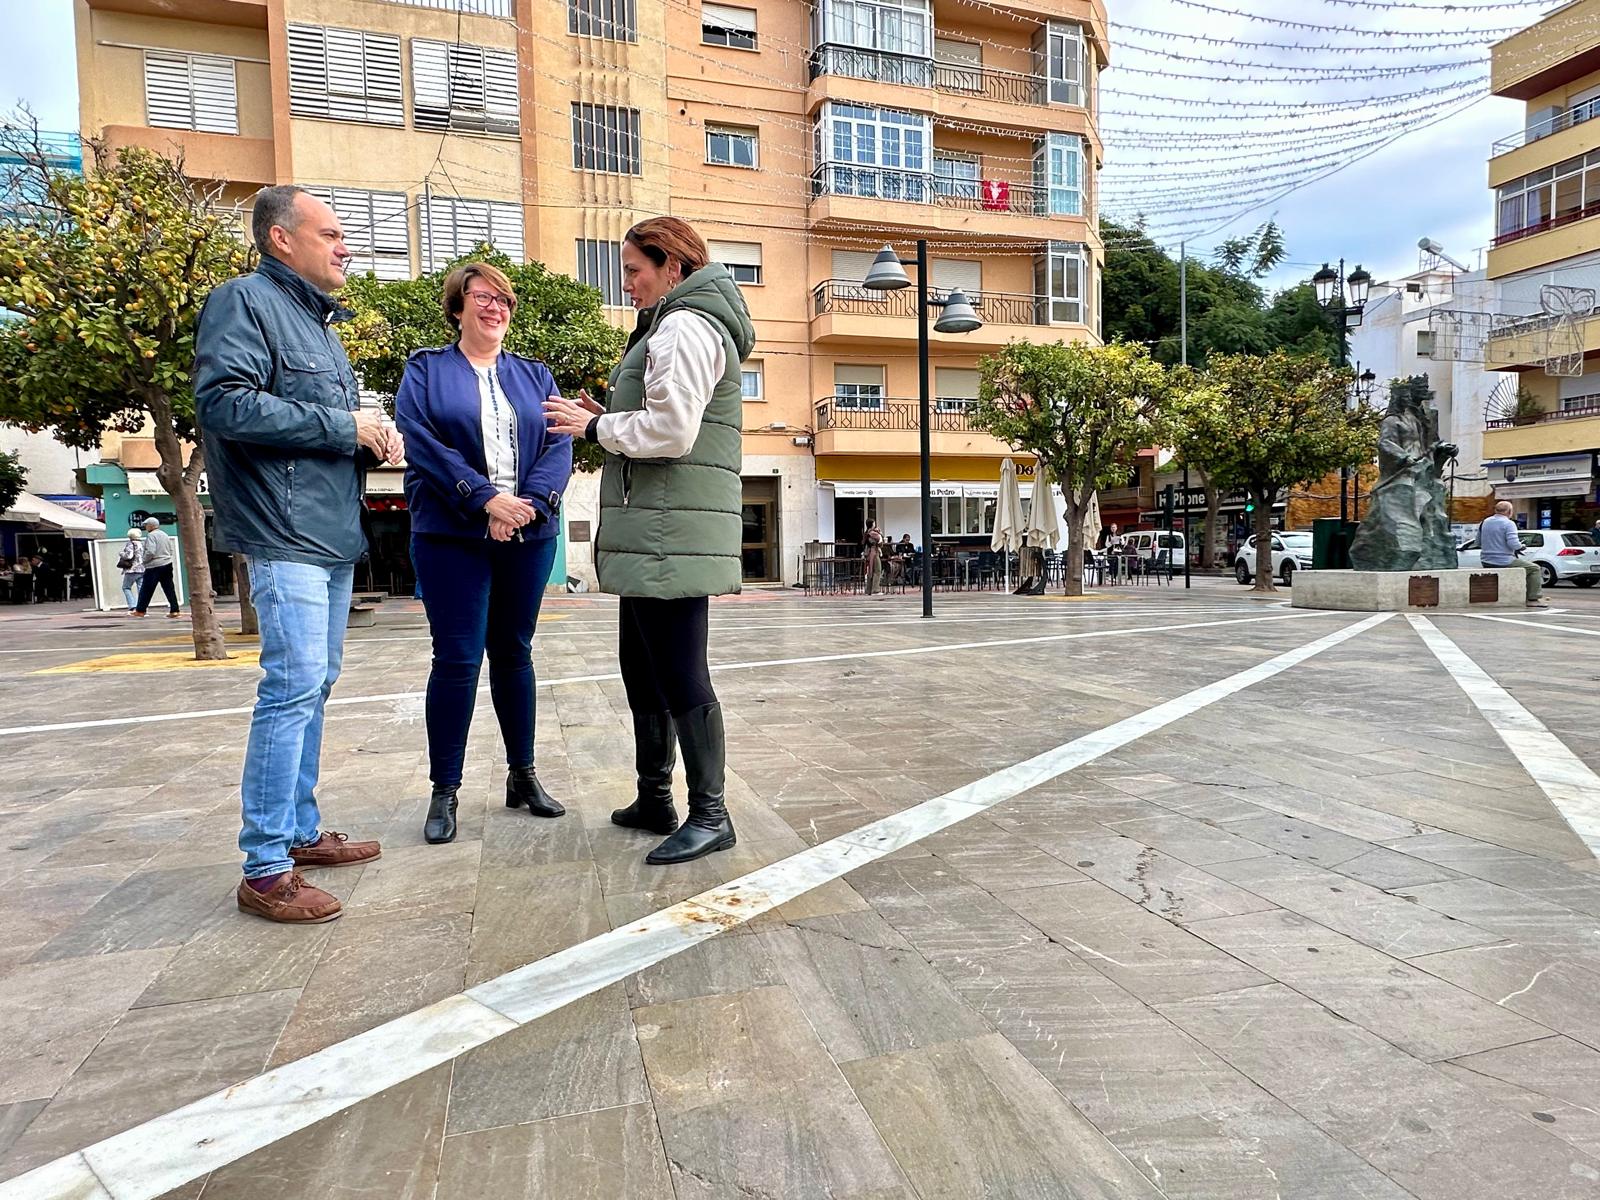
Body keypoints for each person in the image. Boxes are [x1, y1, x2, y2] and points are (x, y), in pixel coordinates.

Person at [194, 184, 404, 924]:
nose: (345, 246)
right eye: (331, 232)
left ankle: (301, 832)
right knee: (291, 688)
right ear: (282, 238)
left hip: (330, 533)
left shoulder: (319, 323)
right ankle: (264, 867)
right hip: (283, 533)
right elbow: (224, 403)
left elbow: (321, 424)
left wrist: (372, 435)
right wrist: (342, 426)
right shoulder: (243, 302)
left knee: (315, 685)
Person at [545, 216, 753, 865]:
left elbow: (672, 431)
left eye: (635, 269)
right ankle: (654, 797)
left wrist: (598, 423)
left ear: (675, 266)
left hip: (672, 529)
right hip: (656, 528)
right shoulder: (670, 324)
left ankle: (711, 814)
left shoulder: (688, 326)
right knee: (643, 669)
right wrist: (604, 417)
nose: (626, 282)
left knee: (681, 673)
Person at [395, 262, 573, 845]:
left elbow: (559, 441)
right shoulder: (425, 370)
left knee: (515, 653)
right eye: (482, 297)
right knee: (457, 660)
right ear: (457, 307)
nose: (494, 307)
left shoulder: (535, 374)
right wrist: (484, 500)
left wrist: (528, 506)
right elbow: (422, 443)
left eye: (503, 300)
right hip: (449, 534)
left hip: (527, 533)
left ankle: (523, 777)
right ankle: (445, 789)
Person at [1479, 500, 1548, 609]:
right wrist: (1521, 547)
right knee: (1534, 568)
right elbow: (1513, 543)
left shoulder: (1485, 522)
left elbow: (1478, 540)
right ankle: (1533, 599)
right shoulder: (1508, 523)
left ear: (1496, 510)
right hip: (1503, 561)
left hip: (1486, 560)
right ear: (1510, 511)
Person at [130, 518, 180, 617]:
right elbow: (170, 550)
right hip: (167, 564)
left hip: (154, 566)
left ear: (151, 525)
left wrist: (144, 560)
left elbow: (150, 551)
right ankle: (175, 610)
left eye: (146, 525)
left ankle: (140, 610)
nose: (145, 527)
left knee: (146, 589)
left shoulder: (151, 536)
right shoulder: (164, 534)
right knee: (169, 588)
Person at [116, 527, 145, 612]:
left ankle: (132, 605)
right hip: (142, 569)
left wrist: (121, 554)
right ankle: (142, 606)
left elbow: (129, 556)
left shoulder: (130, 543)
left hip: (132, 569)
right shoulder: (142, 543)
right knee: (141, 588)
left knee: (126, 587)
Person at [863, 519, 884, 595]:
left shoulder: (867, 533)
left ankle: (869, 589)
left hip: (870, 553)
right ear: (872, 524)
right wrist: (879, 533)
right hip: (874, 552)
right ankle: (875, 589)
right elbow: (880, 539)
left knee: (871, 571)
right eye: (874, 523)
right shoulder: (872, 533)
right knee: (877, 570)